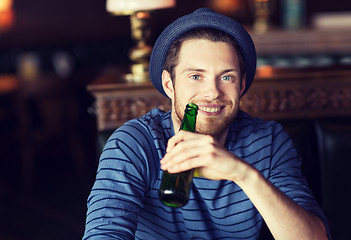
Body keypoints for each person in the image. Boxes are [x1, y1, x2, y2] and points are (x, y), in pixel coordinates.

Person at [83, 8, 331, 239]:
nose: (212, 92)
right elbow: (103, 233)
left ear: (241, 85)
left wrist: (242, 174)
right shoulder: (134, 143)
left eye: (226, 77)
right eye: (195, 76)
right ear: (170, 85)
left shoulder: (268, 140)